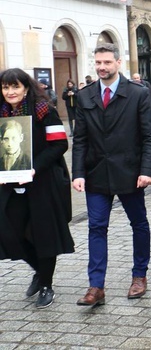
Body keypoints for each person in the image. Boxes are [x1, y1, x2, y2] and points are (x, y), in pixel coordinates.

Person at [72, 43, 151, 307]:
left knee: (139, 224)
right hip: (97, 174)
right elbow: (80, 140)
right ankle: (96, 286)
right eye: (98, 62)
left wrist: (147, 171)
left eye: (107, 62)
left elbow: (149, 137)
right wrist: (78, 173)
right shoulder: (85, 96)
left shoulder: (137, 94)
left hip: (130, 173)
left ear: (118, 63)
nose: (102, 67)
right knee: (96, 227)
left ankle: (139, 276)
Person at [0, 69, 74, 309]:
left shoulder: (44, 110)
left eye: (15, 87)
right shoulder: (1, 113)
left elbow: (60, 144)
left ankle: (46, 285)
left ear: (26, 87)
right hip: (10, 182)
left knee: (44, 234)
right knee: (10, 231)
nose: (10, 92)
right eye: (5, 87)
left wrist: (34, 168)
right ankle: (40, 272)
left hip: (42, 181)